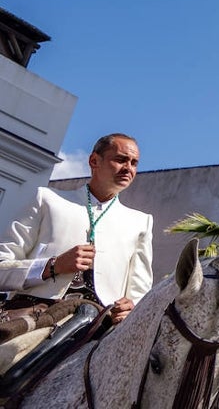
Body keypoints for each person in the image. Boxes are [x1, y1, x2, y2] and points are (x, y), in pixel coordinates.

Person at [0, 133, 152, 324]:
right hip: (34, 313)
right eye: (121, 160)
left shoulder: (141, 222)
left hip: (99, 324)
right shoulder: (47, 200)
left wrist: (131, 309)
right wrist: (52, 266)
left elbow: (140, 293)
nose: (128, 168)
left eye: (134, 163)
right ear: (94, 161)